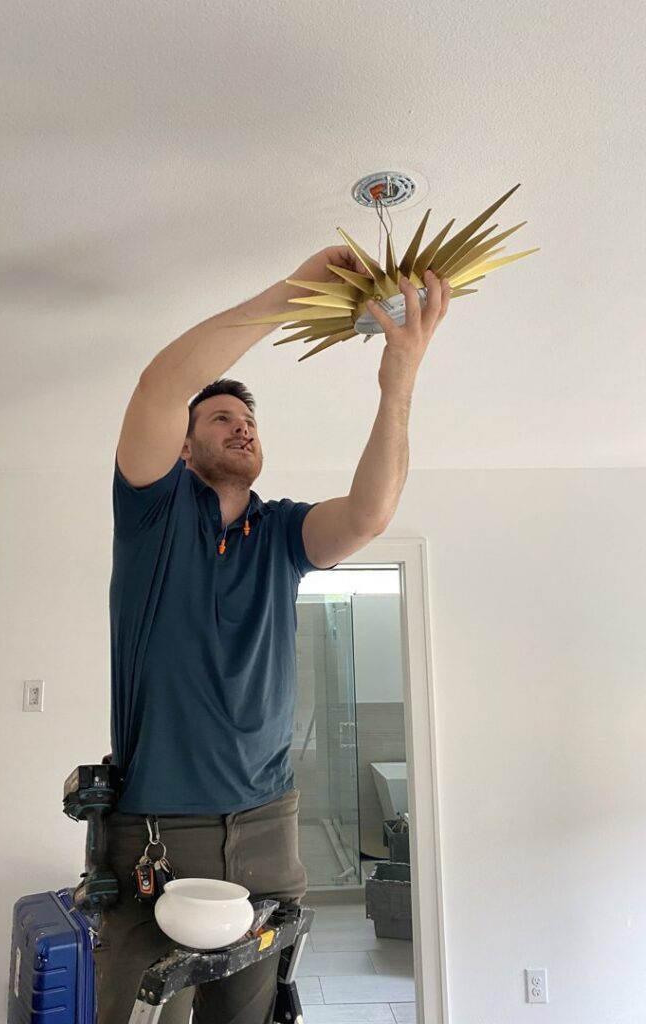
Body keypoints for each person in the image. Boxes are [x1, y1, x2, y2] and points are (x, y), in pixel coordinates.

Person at [93, 245, 451, 1024]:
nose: (242, 427)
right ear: (184, 449)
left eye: (249, 420)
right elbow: (160, 385)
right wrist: (293, 294)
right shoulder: (153, 514)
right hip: (158, 834)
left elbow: (370, 515)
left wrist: (399, 380)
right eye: (222, 417)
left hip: (267, 829)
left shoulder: (282, 532)